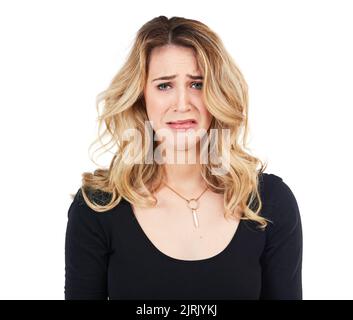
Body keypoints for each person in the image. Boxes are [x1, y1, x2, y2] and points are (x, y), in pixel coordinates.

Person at [65, 15, 303, 300]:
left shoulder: (269, 201)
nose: (182, 104)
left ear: (219, 93)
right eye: (164, 85)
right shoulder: (98, 206)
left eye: (197, 84)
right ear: (141, 96)